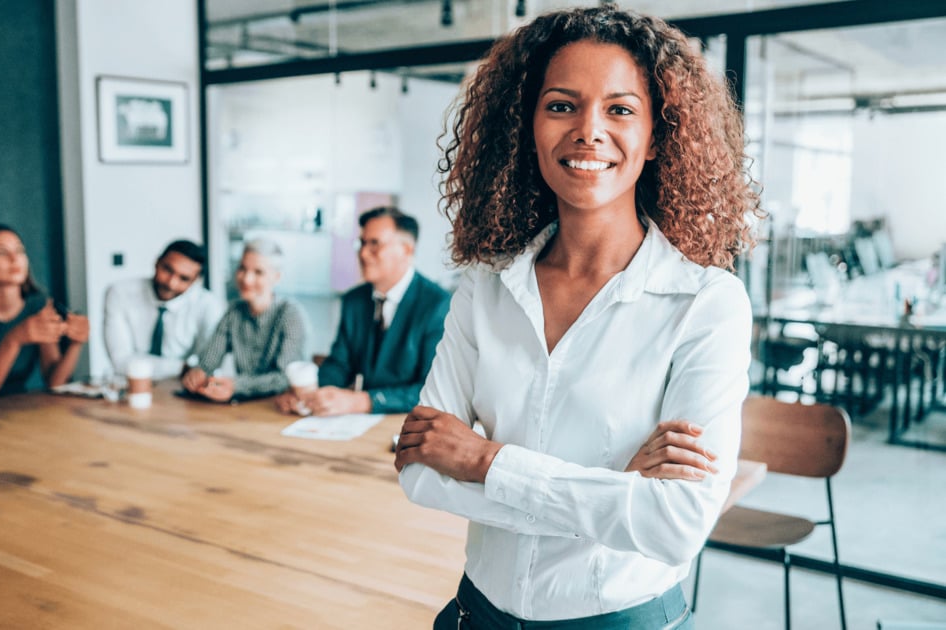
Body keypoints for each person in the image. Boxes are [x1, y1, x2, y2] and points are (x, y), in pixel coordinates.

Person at [394, 6, 762, 629]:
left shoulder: (706, 304)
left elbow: (674, 527)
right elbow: (422, 473)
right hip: (474, 616)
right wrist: (613, 487)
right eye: (561, 105)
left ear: (656, 135)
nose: (589, 131)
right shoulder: (486, 287)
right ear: (526, 127)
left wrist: (485, 462)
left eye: (620, 109)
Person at [274, 206, 451, 416]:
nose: (363, 253)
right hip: (358, 425)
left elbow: (432, 390)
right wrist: (308, 394)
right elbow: (340, 364)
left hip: (410, 424)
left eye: (375, 244)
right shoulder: (354, 300)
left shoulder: (438, 305)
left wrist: (362, 401)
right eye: (362, 243)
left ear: (406, 249)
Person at [0, 224, 90, 405]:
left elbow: (55, 383)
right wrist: (14, 339)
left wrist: (76, 344)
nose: (14, 259)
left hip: (16, 406)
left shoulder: (39, 305)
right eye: (1, 252)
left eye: (20, 251)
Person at [181, 239, 308, 402]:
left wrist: (236, 385)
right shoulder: (233, 312)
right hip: (243, 408)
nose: (246, 279)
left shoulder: (290, 314)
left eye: (258, 272)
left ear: (276, 277)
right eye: (242, 268)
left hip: (281, 405)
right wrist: (199, 372)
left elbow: (284, 378)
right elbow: (209, 361)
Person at [103, 239, 223, 380]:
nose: (171, 283)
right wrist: (183, 368)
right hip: (131, 385)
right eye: (167, 270)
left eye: (184, 278)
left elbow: (208, 364)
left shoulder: (208, 305)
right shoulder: (119, 292)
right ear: (156, 262)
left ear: (195, 281)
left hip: (183, 389)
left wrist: (195, 370)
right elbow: (120, 361)